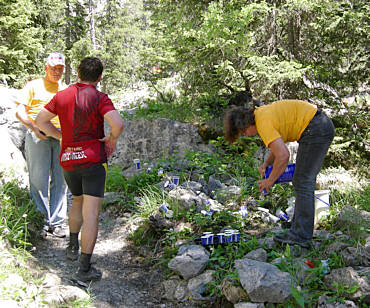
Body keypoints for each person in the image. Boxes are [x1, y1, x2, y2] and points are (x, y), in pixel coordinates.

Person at [35, 57, 124, 282]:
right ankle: (84, 269)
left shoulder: (62, 95)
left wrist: (61, 136)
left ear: (77, 73)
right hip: (93, 159)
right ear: (100, 77)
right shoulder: (99, 97)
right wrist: (111, 139)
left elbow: (40, 121)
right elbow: (118, 123)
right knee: (91, 212)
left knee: (77, 200)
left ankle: (72, 245)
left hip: (69, 159)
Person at [224, 99, 334, 248]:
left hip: (316, 128)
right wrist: (267, 163)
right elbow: (278, 148)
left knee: (303, 181)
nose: (246, 135)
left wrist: (269, 181)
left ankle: (301, 236)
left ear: (246, 125)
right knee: (301, 181)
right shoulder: (261, 114)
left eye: (244, 132)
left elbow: (283, 155)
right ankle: (298, 228)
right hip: (317, 125)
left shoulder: (263, 124)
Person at [16, 52, 68, 237]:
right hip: (38, 135)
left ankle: (58, 222)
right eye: (53, 68)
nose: (56, 72)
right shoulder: (33, 86)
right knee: (38, 178)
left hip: (62, 137)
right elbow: (20, 112)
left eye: (60, 69)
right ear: (46, 67)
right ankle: (41, 220)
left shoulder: (65, 89)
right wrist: (33, 127)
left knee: (61, 180)